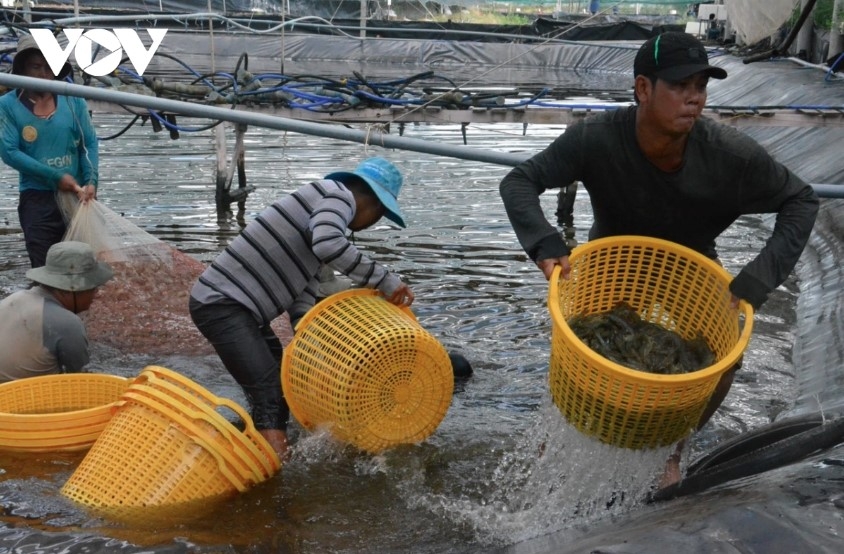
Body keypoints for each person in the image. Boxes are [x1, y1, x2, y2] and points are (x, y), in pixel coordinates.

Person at [498, 32, 819, 487]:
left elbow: (801, 200)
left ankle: (673, 450)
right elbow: (519, 182)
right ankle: (563, 426)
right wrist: (546, 245)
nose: (693, 99)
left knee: (723, 360)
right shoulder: (595, 139)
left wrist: (760, 276)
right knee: (588, 348)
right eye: (680, 86)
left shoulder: (730, 156)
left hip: (689, 265)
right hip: (613, 260)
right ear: (643, 89)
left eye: (701, 87)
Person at [189, 157, 415, 460]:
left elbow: (303, 296)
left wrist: (309, 345)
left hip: (238, 310)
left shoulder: (322, 208)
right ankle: (274, 470)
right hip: (222, 304)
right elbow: (328, 244)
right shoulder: (336, 194)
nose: (371, 225)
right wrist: (386, 281)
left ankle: (253, 447)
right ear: (372, 203)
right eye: (380, 215)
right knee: (268, 388)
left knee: (280, 383)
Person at [0, 33, 98, 269]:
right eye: (36, 67)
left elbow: (89, 144)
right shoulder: (8, 106)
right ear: (23, 70)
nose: (43, 74)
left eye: (49, 67)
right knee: (44, 269)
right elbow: (9, 152)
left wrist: (91, 181)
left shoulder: (73, 101)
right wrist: (55, 177)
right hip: (37, 198)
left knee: (81, 269)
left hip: (78, 197)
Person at [0, 241, 113, 383]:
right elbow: (81, 381)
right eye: (93, 287)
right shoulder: (67, 323)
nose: (97, 294)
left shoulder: (14, 298)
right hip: (16, 401)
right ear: (75, 288)